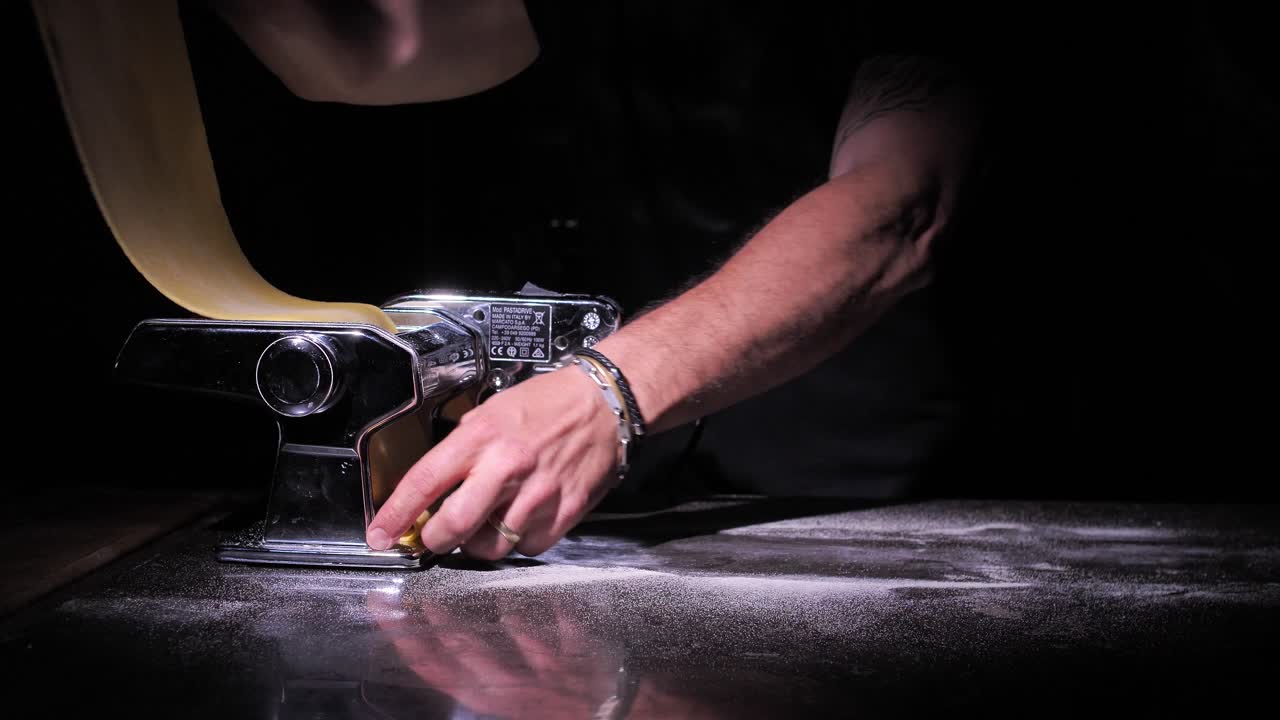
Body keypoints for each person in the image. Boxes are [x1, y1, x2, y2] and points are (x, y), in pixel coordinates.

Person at [209, 0, 985, 560]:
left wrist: (605, 392)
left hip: (857, 516)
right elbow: (373, 49)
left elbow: (902, 205)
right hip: (613, 520)